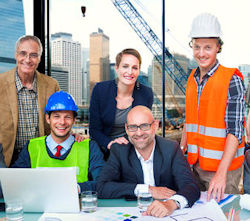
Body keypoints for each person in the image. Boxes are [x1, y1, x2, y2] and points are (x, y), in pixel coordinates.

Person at [180, 13, 245, 201]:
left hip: (223, 171)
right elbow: (189, 122)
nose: (201, 53)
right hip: (195, 167)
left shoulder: (232, 80)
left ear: (218, 47)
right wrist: (182, 154)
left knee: (222, 215)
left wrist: (221, 173)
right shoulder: (191, 78)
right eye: (197, 46)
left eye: (208, 47)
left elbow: (235, 131)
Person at [97, 106, 200, 218]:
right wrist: (147, 190)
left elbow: (191, 186)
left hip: (167, 216)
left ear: (155, 126)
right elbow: (102, 187)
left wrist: (171, 204)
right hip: (134, 214)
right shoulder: (119, 150)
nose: (139, 133)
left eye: (144, 126)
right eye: (133, 127)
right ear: (126, 129)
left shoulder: (171, 149)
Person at [12, 91, 104, 192]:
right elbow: (14, 181)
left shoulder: (90, 147)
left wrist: (77, 188)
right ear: (48, 118)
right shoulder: (32, 147)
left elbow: (103, 183)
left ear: (74, 120)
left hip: (78, 206)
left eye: (67, 117)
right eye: (57, 116)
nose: (62, 122)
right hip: (39, 207)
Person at [0, 35, 60, 167]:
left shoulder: (51, 85)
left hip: (40, 155)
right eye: (23, 53)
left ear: (39, 58)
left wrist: (73, 136)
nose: (27, 60)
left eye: (33, 55)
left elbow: (58, 120)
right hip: (6, 156)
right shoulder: (1, 83)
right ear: (16, 55)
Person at [89, 48, 153, 158]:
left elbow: (144, 128)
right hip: (103, 148)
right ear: (117, 68)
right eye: (125, 66)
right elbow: (94, 130)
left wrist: (125, 144)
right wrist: (111, 143)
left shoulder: (146, 93)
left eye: (134, 68)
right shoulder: (100, 90)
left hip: (132, 148)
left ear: (139, 70)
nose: (130, 72)